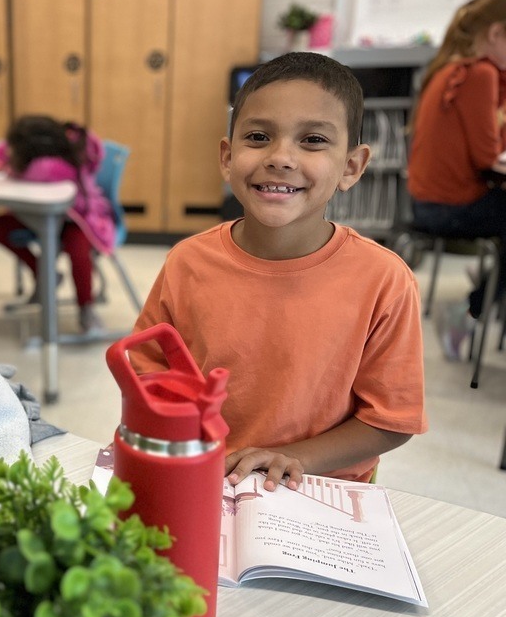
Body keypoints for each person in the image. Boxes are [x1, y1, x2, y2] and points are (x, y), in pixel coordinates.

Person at [130, 52, 426, 491]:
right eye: (257, 136)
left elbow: (391, 420)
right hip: (206, 473)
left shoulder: (385, 280)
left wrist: (295, 458)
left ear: (352, 166)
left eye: (312, 141)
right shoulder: (188, 262)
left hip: (320, 485)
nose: (280, 157)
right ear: (228, 158)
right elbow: (147, 370)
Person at [406, 0, 506, 360]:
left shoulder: (449, 68)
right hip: (448, 207)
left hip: (425, 202)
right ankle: (470, 312)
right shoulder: (478, 74)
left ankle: (490, 291)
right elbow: (489, 154)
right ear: (496, 33)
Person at [0, 115, 116, 334]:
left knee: (79, 251)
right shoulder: (44, 152)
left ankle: (86, 308)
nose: (10, 153)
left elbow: (28, 171)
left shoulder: (51, 165)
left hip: (75, 219)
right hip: (39, 217)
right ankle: (45, 274)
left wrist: (8, 167)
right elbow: (2, 149)